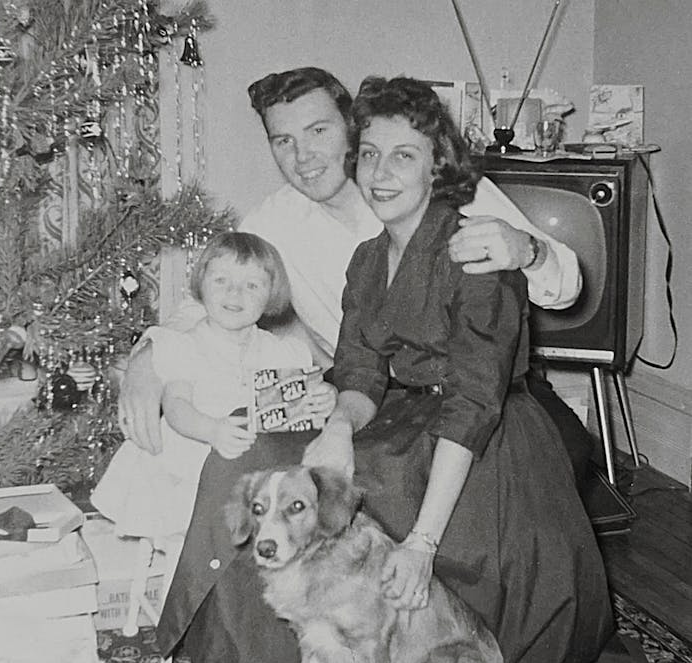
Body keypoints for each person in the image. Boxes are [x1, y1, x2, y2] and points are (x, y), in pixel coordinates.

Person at [154, 76, 647, 663]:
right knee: (275, 470)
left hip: (483, 429)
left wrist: (420, 545)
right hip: (398, 410)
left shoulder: (474, 241)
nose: (381, 172)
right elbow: (358, 372)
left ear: (436, 165)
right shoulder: (364, 256)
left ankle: (412, 657)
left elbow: (475, 400)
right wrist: (335, 430)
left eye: (404, 156)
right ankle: (280, 652)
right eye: (371, 155)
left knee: (385, 507)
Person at [118, 67, 592, 488]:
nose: (302, 156)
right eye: (283, 141)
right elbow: (206, 301)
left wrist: (528, 250)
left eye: (318, 130)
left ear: (351, 129)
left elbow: (567, 285)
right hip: (360, 398)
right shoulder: (274, 220)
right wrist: (149, 358)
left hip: (481, 394)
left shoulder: (442, 187)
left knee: (557, 466)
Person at [91, 231, 336, 542]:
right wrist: (211, 430)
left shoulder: (282, 351)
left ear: (271, 293)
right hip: (189, 464)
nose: (235, 293)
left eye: (252, 285)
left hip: (252, 470)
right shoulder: (186, 345)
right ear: (201, 285)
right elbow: (177, 405)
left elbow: (296, 403)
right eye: (221, 281)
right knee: (187, 545)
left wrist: (323, 398)